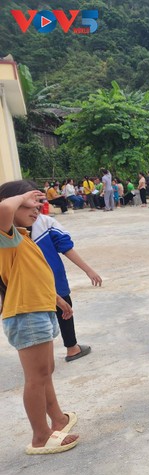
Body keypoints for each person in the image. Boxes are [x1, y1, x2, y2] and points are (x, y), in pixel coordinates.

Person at [0, 180, 80, 455]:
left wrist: (57, 300)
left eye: (38, 202)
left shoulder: (21, 236)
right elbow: (2, 209)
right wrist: (18, 197)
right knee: (36, 377)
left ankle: (56, 419)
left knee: (46, 372)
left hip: (39, 310)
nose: (37, 208)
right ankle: (40, 436)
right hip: (25, 314)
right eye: (29, 203)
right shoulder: (6, 235)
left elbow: (33, 277)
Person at [31, 212, 102, 362]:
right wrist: (88, 270)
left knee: (59, 311)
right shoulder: (44, 222)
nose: (35, 207)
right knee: (61, 312)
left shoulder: (7, 228)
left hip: (42, 281)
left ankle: (41, 356)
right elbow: (64, 246)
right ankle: (71, 348)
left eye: (39, 201)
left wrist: (88, 270)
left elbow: (65, 246)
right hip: (50, 279)